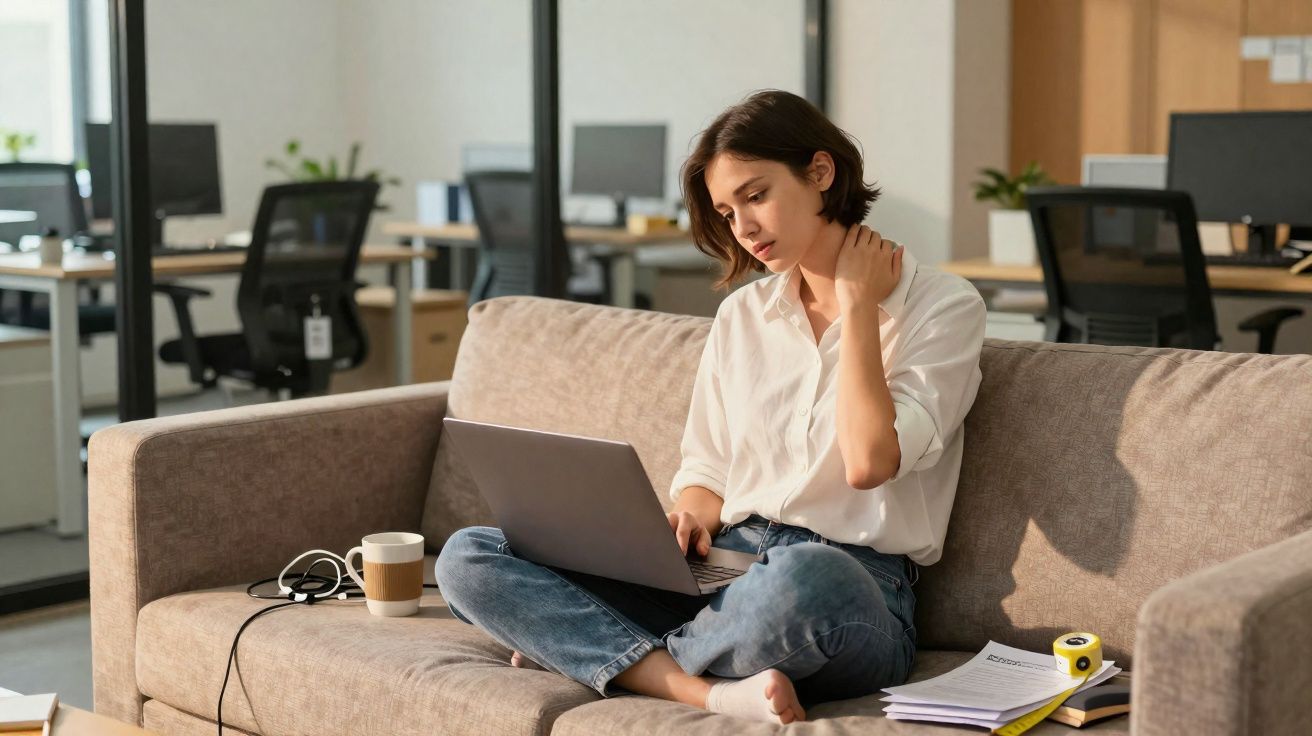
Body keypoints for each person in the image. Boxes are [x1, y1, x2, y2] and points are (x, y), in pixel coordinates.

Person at [435, 89, 987, 725]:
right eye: (727, 212)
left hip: (849, 591)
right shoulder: (741, 316)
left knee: (811, 577)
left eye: (755, 195)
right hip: (722, 573)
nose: (744, 228)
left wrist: (861, 307)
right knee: (473, 555)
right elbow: (709, 473)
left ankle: (590, 651)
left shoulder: (944, 307)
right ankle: (703, 688)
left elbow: (868, 462)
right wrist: (688, 518)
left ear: (820, 173)